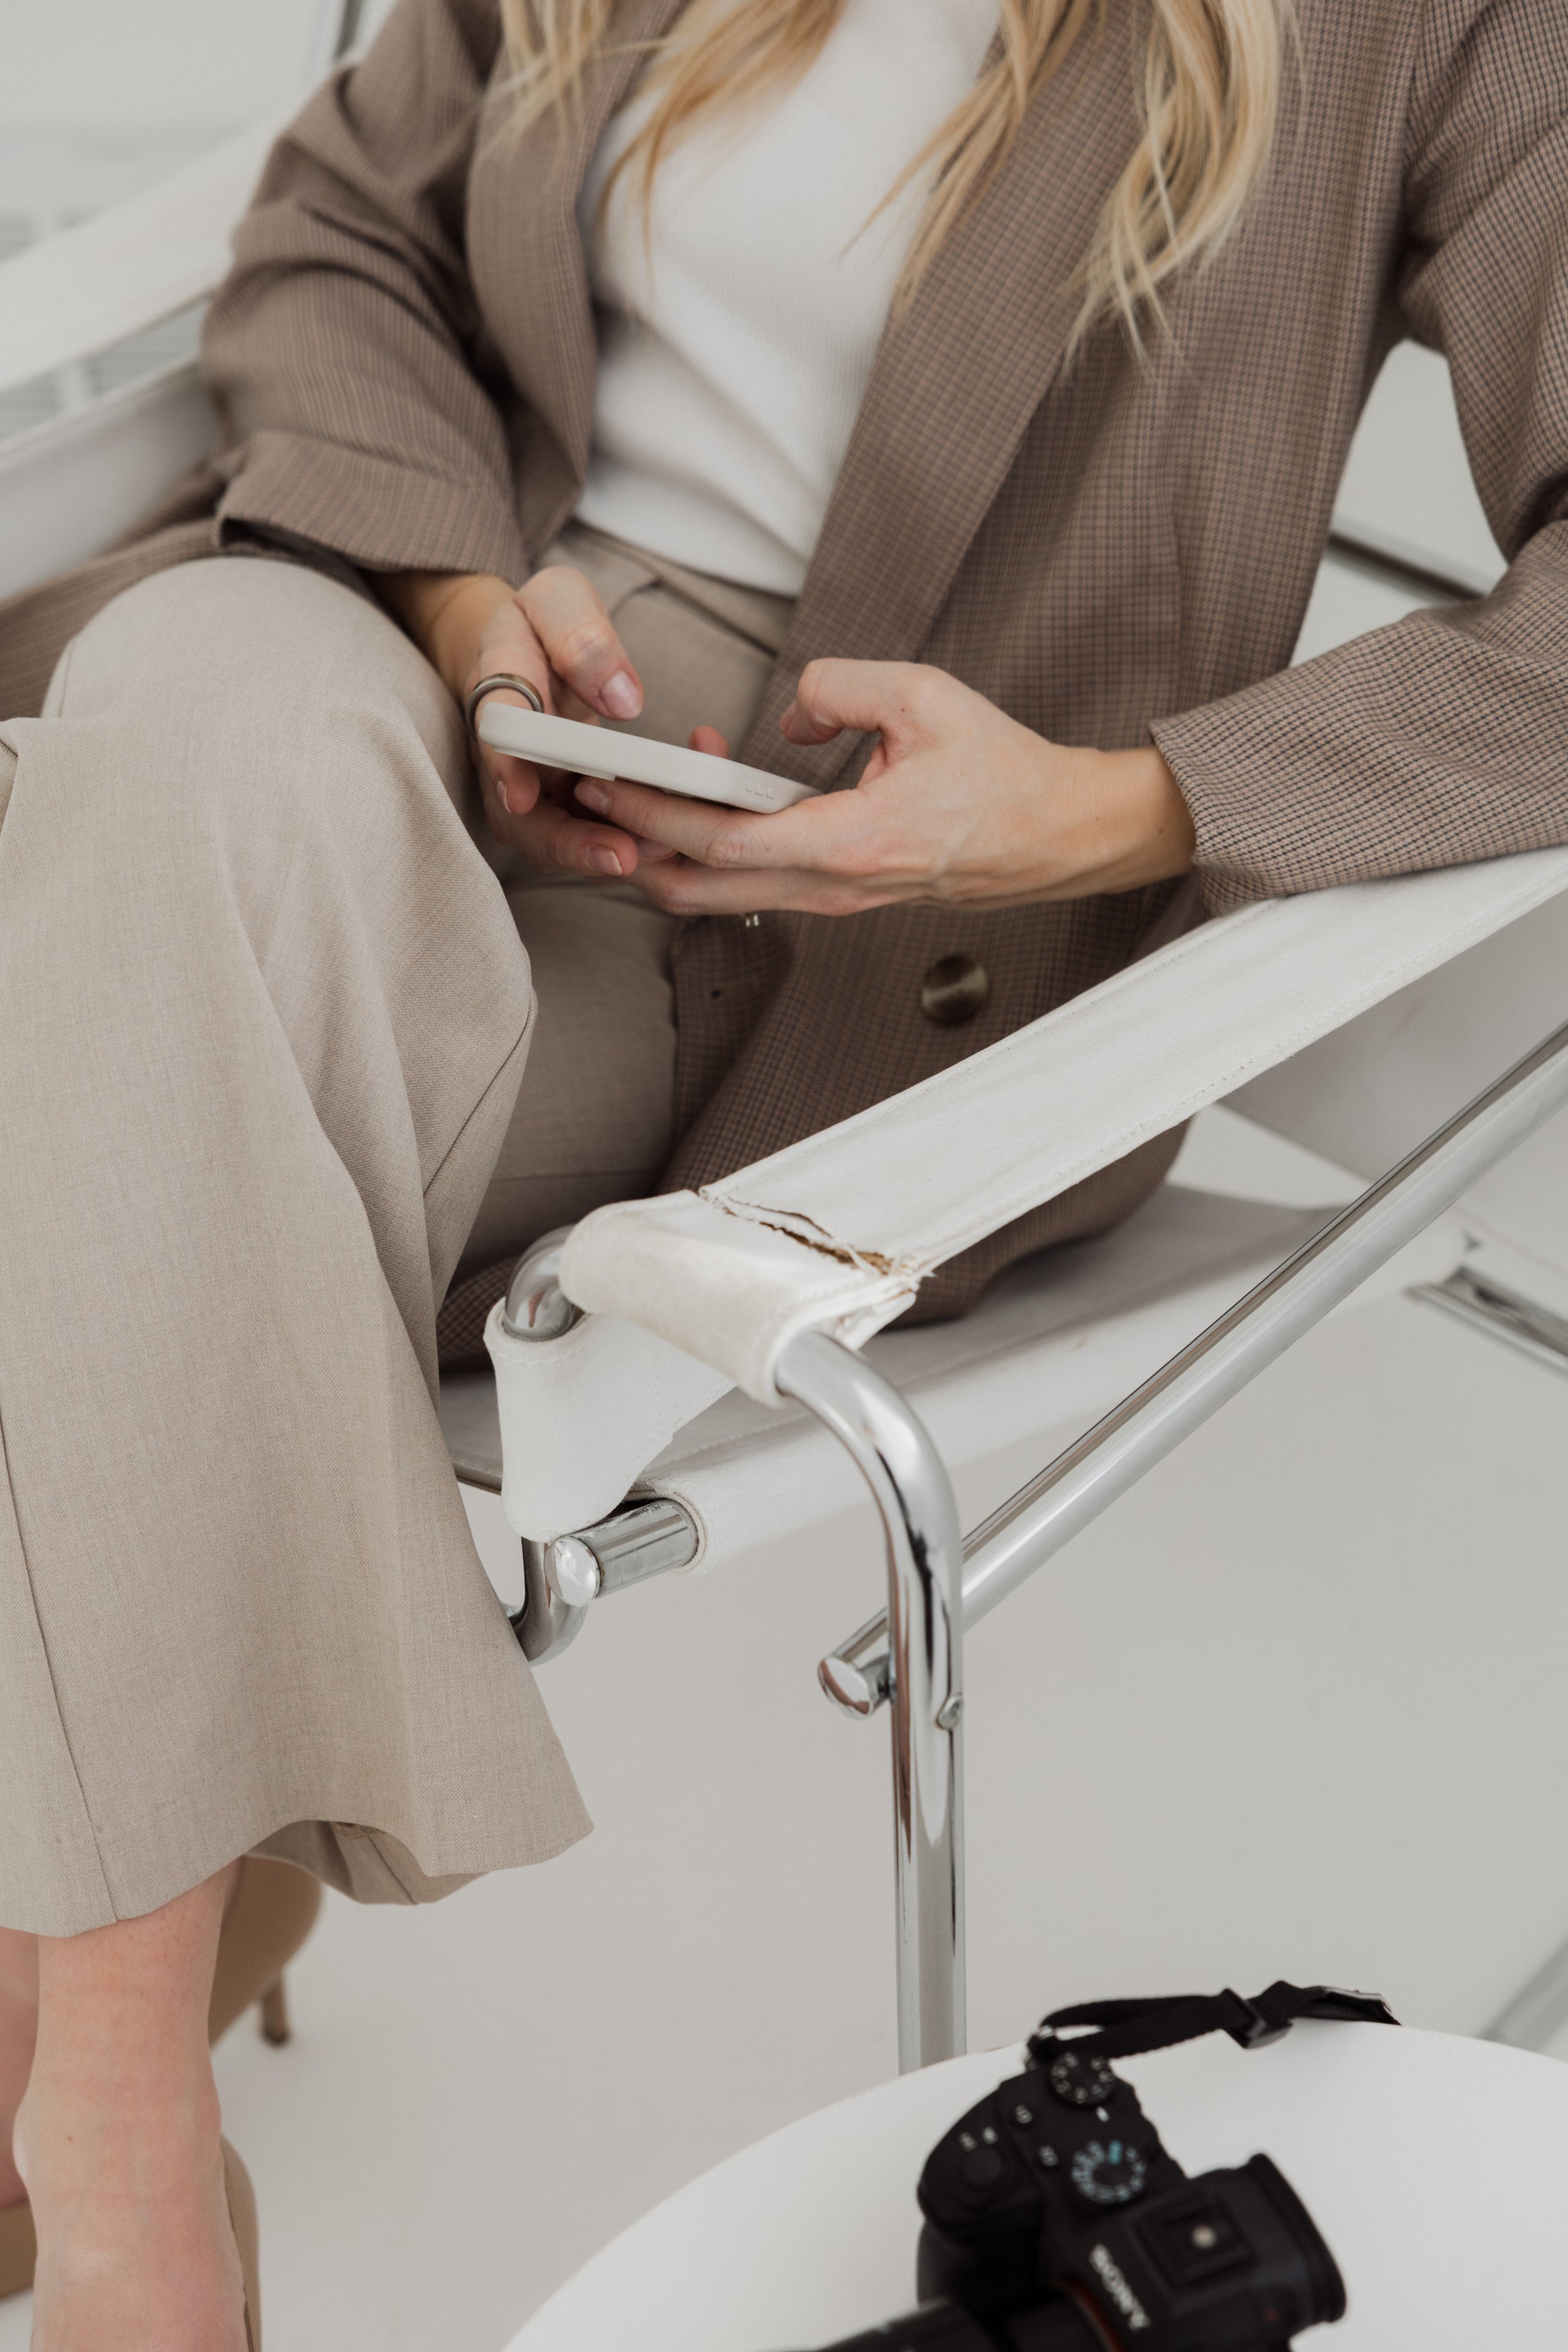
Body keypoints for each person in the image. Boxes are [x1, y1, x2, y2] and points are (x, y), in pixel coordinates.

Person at [1, 0, 1565, 2339]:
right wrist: (456, 597)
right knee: (185, 745)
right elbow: (347, 231)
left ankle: (78, 2020)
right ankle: (132, 2076)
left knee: (92, 1009)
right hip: (420, 645)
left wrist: (1110, 807)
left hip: (828, 906)